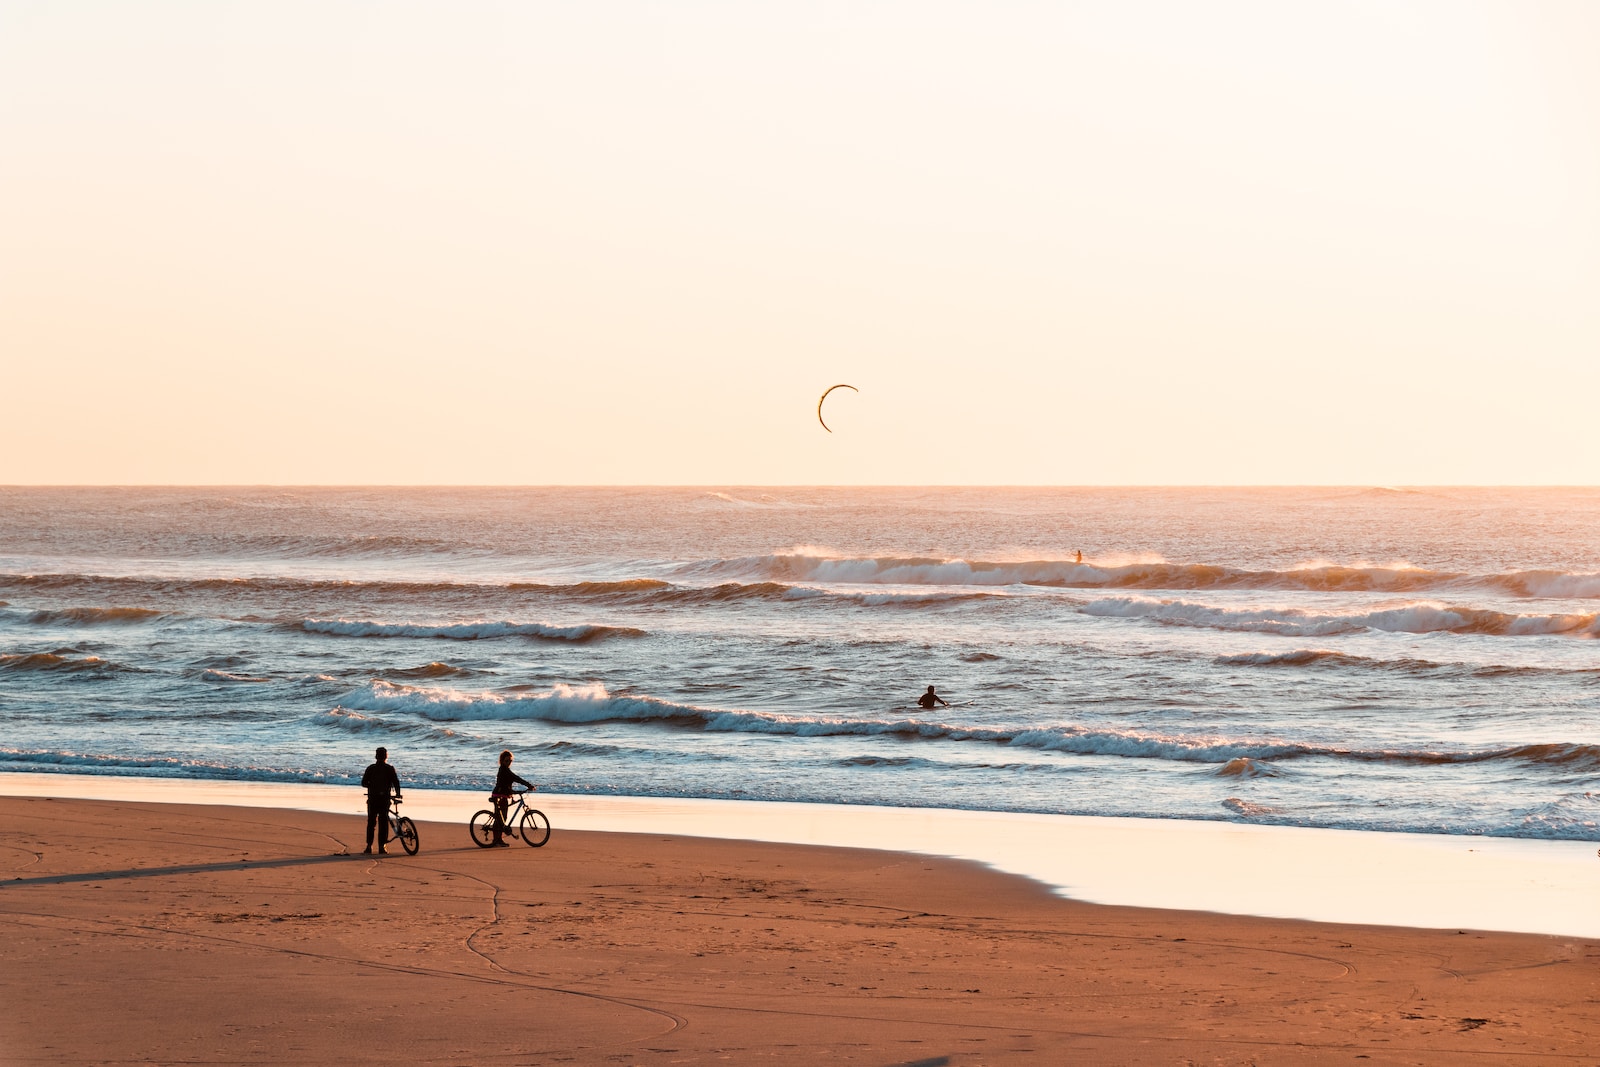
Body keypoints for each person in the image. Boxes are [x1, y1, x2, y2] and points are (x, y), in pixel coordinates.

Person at [360, 746, 402, 855]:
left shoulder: (371, 768)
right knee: (383, 822)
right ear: (386, 757)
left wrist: (372, 786)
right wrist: (397, 794)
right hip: (384, 799)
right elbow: (396, 782)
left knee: (371, 822)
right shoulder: (390, 768)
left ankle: (369, 846)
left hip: (373, 798)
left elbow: (363, 783)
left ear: (376, 756)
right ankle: (382, 847)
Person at [490, 749, 533, 847]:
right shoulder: (504, 770)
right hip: (499, 796)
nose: (509, 763)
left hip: (502, 795)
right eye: (506, 761)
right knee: (501, 818)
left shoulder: (505, 770)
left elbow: (509, 783)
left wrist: (513, 792)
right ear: (502, 761)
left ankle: (497, 840)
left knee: (501, 817)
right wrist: (528, 785)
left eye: (510, 761)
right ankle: (497, 840)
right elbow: (516, 778)